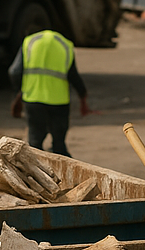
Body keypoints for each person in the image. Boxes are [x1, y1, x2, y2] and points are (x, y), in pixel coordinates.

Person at [8, 27, 91, 156]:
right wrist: (83, 96)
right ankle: (62, 174)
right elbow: (73, 76)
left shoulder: (29, 42)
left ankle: (34, 173)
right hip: (59, 101)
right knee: (59, 145)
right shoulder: (66, 45)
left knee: (35, 144)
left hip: (33, 98)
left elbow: (14, 72)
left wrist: (20, 91)